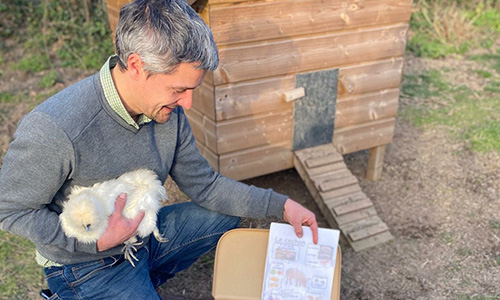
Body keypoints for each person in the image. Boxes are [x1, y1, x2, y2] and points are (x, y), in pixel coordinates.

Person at [0, 0, 318, 299]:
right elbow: (9, 209)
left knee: (228, 213)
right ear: (137, 65)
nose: (188, 104)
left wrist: (282, 205)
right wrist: (96, 242)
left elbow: (205, 186)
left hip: (141, 237)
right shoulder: (55, 127)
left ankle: (142, 278)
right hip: (84, 263)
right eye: (179, 90)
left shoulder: (167, 112)